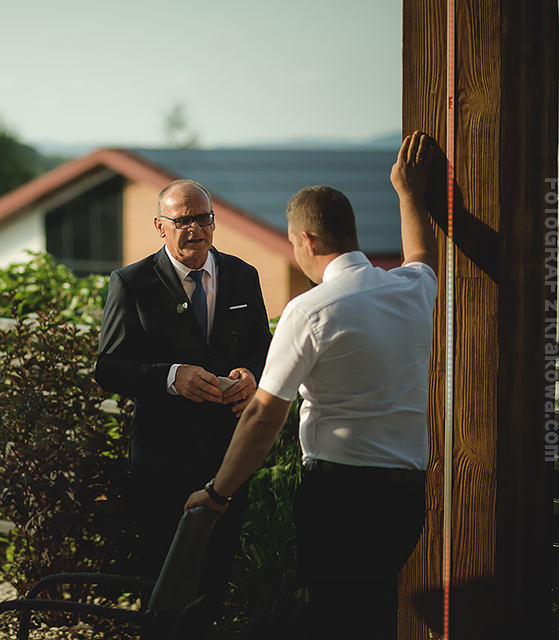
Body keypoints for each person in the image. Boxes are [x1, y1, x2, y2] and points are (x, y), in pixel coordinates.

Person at [185, 132, 439, 639]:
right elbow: (422, 254)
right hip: (408, 497)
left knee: (336, 620)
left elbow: (264, 414)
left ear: (308, 241)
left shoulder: (310, 310)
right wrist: (409, 194)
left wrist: (217, 492)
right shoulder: (413, 289)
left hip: (341, 498)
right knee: (374, 615)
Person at [95, 179, 272, 635]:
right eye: (183, 220)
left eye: (203, 218)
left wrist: (252, 375)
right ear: (160, 226)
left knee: (216, 577)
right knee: (161, 582)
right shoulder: (131, 282)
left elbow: (264, 347)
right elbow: (109, 367)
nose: (195, 228)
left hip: (227, 455)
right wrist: (172, 377)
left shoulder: (242, 274)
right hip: (162, 458)